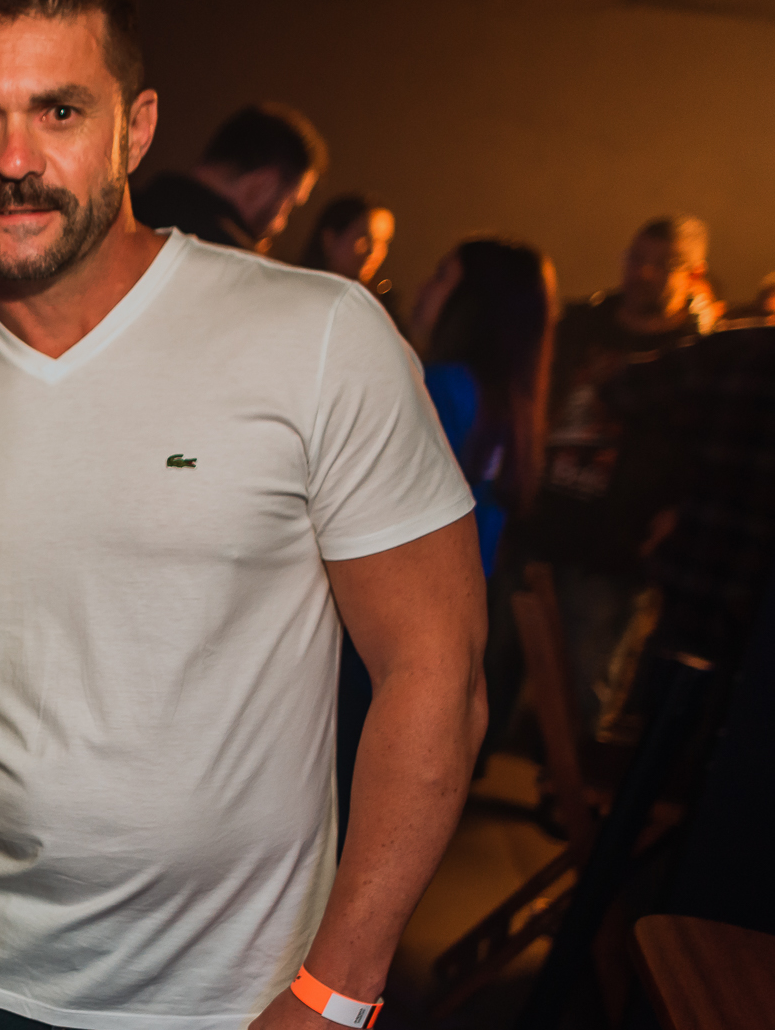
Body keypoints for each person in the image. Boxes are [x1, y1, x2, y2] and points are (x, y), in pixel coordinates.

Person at [0, 0, 485, 1030]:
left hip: (216, 1028)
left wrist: (341, 991)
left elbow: (436, 674)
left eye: (57, 112)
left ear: (134, 128)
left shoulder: (313, 338)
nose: (13, 158)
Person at [505, 215, 711, 743]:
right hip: (538, 518)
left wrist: (674, 513)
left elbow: (705, 449)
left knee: (584, 686)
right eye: (636, 258)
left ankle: (562, 783)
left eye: (662, 264)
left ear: (693, 273)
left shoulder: (700, 353)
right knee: (491, 663)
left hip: (614, 545)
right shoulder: (581, 324)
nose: (643, 273)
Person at [412, 239, 559, 575]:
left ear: (475, 302)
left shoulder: (442, 387)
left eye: (441, 276)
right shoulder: (507, 406)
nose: (423, 287)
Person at [131, 101, 327, 254]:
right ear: (262, 186)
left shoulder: (127, 213)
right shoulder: (238, 267)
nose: (280, 226)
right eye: (289, 206)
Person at [301, 192, 397, 321]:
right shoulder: (300, 294)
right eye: (365, 238)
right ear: (329, 238)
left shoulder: (379, 311)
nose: (373, 251)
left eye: (383, 242)